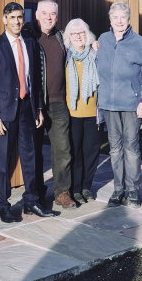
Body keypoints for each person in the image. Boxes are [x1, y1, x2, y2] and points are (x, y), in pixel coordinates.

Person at [0, 2, 53, 223]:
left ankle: (31, 201)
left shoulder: (30, 43)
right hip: (4, 113)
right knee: (3, 162)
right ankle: (3, 206)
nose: (16, 21)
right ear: (4, 19)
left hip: (28, 110)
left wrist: (39, 108)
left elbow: (36, 79)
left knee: (30, 158)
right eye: (12, 17)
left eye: (20, 17)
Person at [96, 1, 142, 208]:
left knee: (131, 148)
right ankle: (118, 189)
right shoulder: (102, 40)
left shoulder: (139, 42)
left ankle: (132, 191)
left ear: (128, 19)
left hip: (132, 103)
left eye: (123, 17)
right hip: (109, 104)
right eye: (115, 18)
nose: (119, 21)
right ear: (110, 20)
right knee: (114, 149)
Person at [21, 0, 75, 209]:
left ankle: (62, 192)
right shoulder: (29, 37)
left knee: (62, 150)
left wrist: (93, 43)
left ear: (57, 16)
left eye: (52, 14)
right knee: (34, 150)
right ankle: (36, 193)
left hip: (59, 103)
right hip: (36, 104)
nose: (48, 17)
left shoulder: (62, 38)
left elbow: (81, 43)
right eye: (44, 13)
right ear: (36, 15)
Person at [63, 18, 103, 205]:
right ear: (68, 37)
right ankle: (76, 189)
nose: (78, 36)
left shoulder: (95, 54)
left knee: (91, 152)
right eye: (74, 33)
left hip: (93, 113)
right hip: (72, 114)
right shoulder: (66, 56)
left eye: (81, 33)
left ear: (87, 35)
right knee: (75, 153)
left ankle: (87, 187)